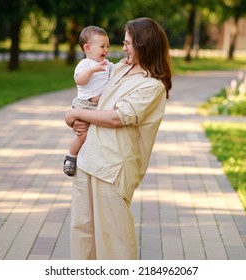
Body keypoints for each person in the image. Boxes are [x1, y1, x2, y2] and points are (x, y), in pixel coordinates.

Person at [64, 17, 172, 260]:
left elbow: (116, 117)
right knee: (84, 235)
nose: (123, 49)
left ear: (143, 45)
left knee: (114, 242)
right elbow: (97, 100)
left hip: (112, 169)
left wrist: (76, 113)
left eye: (128, 44)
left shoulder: (152, 86)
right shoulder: (121, 67)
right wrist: (76, 117)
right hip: (88, 159)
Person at [63, 25, 113, 176]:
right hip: (84, 104)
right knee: (82, 134)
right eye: (102, 46)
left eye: (108, 46)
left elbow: (115, 71)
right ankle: (71, 156)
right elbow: (79, 80)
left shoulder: (107, 64)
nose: (106, 50)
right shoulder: (85, 65)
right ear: (87, 48)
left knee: (95, 134)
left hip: (97, 106)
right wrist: (91, 71)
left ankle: (92, 161)